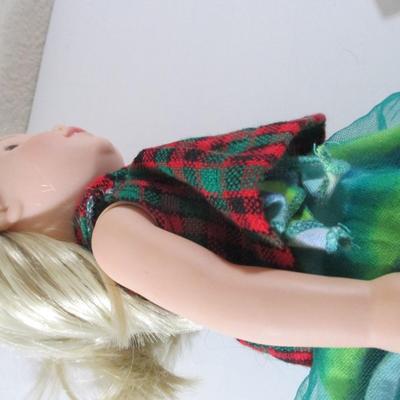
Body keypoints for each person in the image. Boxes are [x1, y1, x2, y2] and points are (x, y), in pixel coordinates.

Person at [0, 92, 399, 399]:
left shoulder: (127, 204)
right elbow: (235, 297)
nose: (55, 127)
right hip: (351, 249)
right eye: (13, 148)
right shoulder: (111, 234)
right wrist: (373, 312)